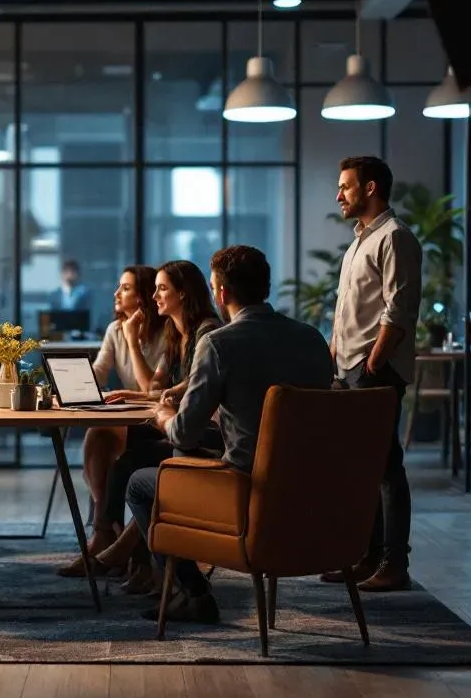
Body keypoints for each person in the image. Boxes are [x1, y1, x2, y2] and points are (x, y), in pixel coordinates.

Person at [125, 245, 334, 623]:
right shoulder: (312, 340)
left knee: (140, 482)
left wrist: (163, 416)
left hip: (244, 492)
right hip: (312, 494)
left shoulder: (220, 343)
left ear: (221, 293)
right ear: (265, 286)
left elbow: (184, 434)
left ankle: (193, 594)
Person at [59, 260, 222, 589]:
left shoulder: (205, 334)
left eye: (161, 289)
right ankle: (116, 542)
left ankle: (125, 551)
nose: (155, 296)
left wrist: (135, 350)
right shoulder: (176, 332)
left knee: (130, 465)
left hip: (202, 433)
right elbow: (161, 387)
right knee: (112, 442)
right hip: (177, 424)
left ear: (182, 293)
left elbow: (189, 386)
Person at [326, 155, 422, 592]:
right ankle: (366, 556)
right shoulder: (359, 242)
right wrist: (336, 354)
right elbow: (347, 309)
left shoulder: (395, 237)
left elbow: (398, 308)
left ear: (370, 188)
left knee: (385, 468)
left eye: (345, 186)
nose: (339, 195)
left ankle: (394, 563)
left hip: (372, 371)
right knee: (360, 469)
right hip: (348, 368)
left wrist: (375, 360)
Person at [51, 265, 168, 576]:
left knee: (105, 436)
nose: (116, 294)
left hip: (158, 422)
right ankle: (106, 530)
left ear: (143, 297)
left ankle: (107, 534)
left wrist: (132, 341)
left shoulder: (168, 332)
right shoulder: (115, 330)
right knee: (98, 433)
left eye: (125, 288)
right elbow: (99, 373)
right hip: (132, 420)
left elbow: (150, 388)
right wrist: (70, 386)